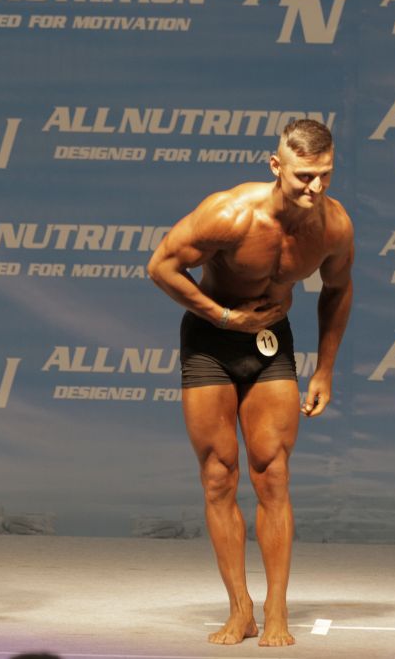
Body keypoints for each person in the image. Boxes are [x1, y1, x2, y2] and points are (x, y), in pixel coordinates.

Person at [147, 119, 353, 646]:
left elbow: (338, 289)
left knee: (273, 474)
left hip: (269, 344)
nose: (315, 187)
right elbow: (161, 266)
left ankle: (276, 609)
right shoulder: (230, 213)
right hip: (210, 342)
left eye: (325, 175)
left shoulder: (333, 226)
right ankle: (240, 609)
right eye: (304, 175)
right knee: (218, 477)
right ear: (276, 166)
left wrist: (325, 368)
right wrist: (223, 316)